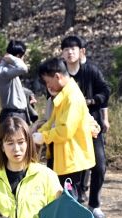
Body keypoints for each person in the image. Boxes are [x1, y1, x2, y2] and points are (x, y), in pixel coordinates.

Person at [0, 116, 61, 218]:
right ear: (2, 146)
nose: (16, 148)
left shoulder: (47, 176)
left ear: (28, 143)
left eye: (21, 142)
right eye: (10, 143)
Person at [61, 35, 111, 218]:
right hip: (68, 127)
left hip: (91, 126)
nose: (70, 52)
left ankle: (94, 204)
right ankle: (72, 203)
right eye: (66, 49)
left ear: (81, 51)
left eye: (73, 49)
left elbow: (105, 91)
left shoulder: (91, 71)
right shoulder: (60, 72)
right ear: (62, 53)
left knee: (99, 165)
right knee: (72, 168)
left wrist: (92, 102)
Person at [33, 57, 95, 200]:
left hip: (72, 159)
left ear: (57, 76)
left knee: (69, 199)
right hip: (63, 157)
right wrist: (38, 133)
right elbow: (52, 121)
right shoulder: (64, 95)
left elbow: (65, 130)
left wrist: (44, 137)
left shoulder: (72, 98)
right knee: (59, 196)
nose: (48, 86)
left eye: (48, 81)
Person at [0, 40, 32, 124]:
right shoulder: (4, 71)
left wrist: (30, 94)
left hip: (15, 114)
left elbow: (16, 88)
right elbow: (23, 68)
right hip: (13, 116)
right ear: (18, 56)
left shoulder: (10, 70)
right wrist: (12, 58)